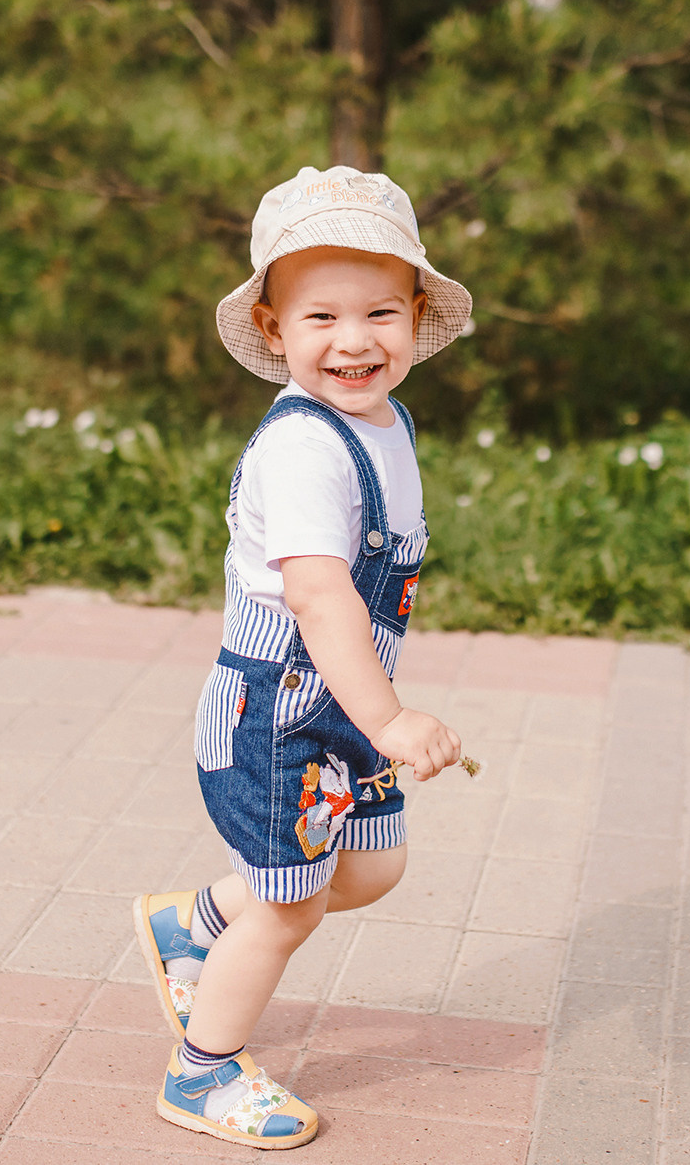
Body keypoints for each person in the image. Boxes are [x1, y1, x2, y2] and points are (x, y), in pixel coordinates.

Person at [135, 165, 473, 1148]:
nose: (353, 340)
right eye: (319, 317)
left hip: (336, 708)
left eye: (377, 311)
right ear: (274, 331)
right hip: (279, 715)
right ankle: (201, 1073)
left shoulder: (382, 421)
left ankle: (192, 922)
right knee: (289, 910)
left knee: (366, 869)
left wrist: (370, 716)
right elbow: (322, 599)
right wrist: (392, 720)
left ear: (415, 315)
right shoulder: (303, 450)